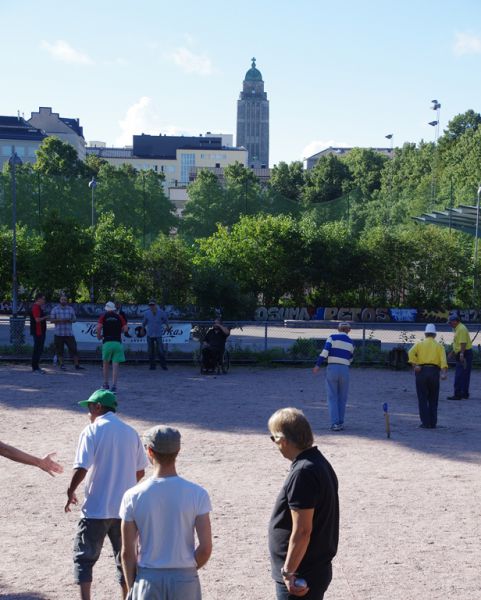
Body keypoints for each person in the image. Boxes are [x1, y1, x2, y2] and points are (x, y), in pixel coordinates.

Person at [65, 389, 148, 600]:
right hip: (125, 511)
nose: (88, 412)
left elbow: (81, 467)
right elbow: (140, 470)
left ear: (98, 407)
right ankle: (126, 596)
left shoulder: (91, 431)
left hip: (96, 508)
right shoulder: (130, 432)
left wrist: (71, 490)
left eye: (89, 407)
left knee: (84, 558)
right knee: (126, 558)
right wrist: (125, 485)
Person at [120, 426, 212, 600]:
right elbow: (205, 548)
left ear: (149, 451)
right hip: (185, 578)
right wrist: (186, 570)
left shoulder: (132, 496)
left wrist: (133, 587)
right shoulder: (197, 493)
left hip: (148, 578)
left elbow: (127, 552)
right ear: (178, 450)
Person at [268, 408, 339, 600]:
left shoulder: (303, 473)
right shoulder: (318, 462)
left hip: (301, 574)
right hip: (312, 569)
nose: (274, 445)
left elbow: (302, 531)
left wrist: (289, 572)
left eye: (272, 438)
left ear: (283, 440)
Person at [312, 322, 354, 431]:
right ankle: (340, 422)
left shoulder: (332, 338)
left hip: (332, 368)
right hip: (345, 369)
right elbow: (350, 359)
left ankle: (335, 423)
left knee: (332, 397)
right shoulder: (351, 342)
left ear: (338, 329)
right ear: (349, 330)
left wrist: (317, 365)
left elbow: (325, 352)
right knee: (342, 397)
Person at [408, 323, 448, 428]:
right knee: (433, 398)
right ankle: (433, 422)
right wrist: (443, 373)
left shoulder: (419, 344)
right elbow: (443, 361)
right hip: (434, 372)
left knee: (422, 398)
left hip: (421, 372)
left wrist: (415, 365)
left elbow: (410, 353)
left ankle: (425, 423)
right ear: (435, 335)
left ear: (425, 334)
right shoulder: (440, 346)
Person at [97, 301, 128, 393]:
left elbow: (98, 327)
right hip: (117, 343)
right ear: (114, 309)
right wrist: (119, 331)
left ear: (106, 309)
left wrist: (99, 336)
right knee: (115, 365)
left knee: (105, 365)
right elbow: (126, 329)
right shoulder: (119, 317)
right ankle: (114, 386)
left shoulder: (103, 316)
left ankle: (106, 384)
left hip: (107, 342)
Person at [50, 293, 84, 371]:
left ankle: (77, 365)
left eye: (65, 299)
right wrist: (60, 320)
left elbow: (75, 319)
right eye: (62, 299)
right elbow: (51, 320)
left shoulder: (70, 309)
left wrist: (70, 320)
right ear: (60, 300)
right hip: (58, 333)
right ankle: (62, 365)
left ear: (67, 301)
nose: (63, 301)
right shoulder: (55, 309)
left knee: (74, 349)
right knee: (59, 350)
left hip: (69, 333)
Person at [447, 312, 473, 400]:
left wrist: (461, 354)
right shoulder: (458, 328)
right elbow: (457, 343)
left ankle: (457, 394)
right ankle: (464, 393)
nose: (449, 324)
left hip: (464, 353)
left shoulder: (461, 329)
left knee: (459, 374)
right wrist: (452, 352)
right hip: (465, 352)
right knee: (465, 374)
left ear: (455, 321)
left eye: (450, 322)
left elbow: (463, 343)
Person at [142, 300, 169, 370]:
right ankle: (152, 366)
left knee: (160, 350)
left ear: (156, 304)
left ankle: (163, 366)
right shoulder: (146, 313)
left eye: (153, 305)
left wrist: (167, 326)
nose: (151, 306)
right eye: (150, 305)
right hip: (150, 334)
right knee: (150, 351)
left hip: (158, 334)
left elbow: (166, 320)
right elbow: (144, 322)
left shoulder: (161, 312)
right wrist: (142, 329)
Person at [30, 292, 48, 373]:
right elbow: (37, 320)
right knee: (37, 349)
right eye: (43, 299)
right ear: (39, 299)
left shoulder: (39, 307)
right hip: (38, 332)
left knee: (39, 349)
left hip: (40, 331)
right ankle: (35, 367)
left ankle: (36, 366)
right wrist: (46, 317)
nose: (44, 300)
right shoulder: (36, 307)